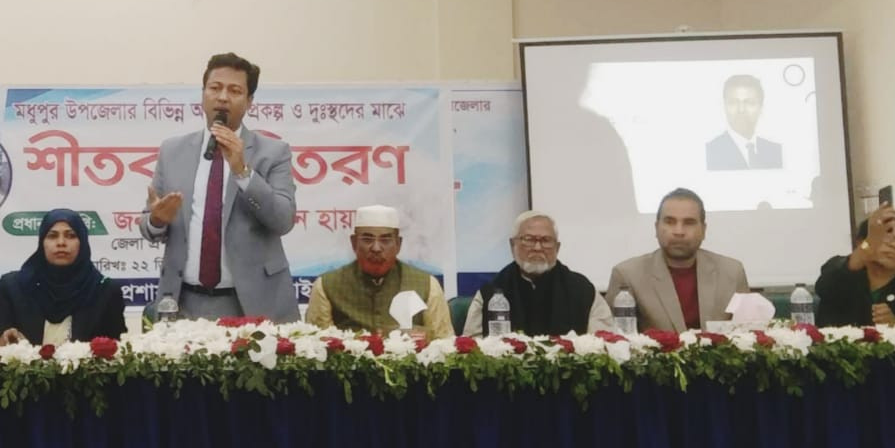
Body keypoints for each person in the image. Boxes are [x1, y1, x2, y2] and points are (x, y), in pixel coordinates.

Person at [139, 52, 298, 321]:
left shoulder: (273, 152)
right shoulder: (172, 151)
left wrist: (243, 172)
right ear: (203, 95)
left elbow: (283, 220)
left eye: (234, 91)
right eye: (215, 88)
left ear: (249, 102)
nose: (223, 97)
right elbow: (148, 227)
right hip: (183, 302)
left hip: (253, 304)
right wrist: (157, 220)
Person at [606, 188, 749, 332]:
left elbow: (749, 334)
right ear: (656, 228)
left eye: (689, 223)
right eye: (670, 222)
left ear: (704, 230)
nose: (679, 231)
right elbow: (616, 339)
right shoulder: (628, 275)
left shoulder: (732, 272)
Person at [304, 205, 454, 338]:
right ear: (354, 243)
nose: (376, 248)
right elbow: (319, 346)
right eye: (367, 239)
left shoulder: (427, 285)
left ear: (398, 244)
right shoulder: (327, 286)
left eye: (385, 240)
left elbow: (443, 345)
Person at [462, 211, 614, 337]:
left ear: (557, 247)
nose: (537, 247)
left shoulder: (582, 291)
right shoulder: (490, 292)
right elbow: (471, 348)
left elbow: (604, 345)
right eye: (528, 239)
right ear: (512, 245)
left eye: (546, 240)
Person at [0, 209, 126, 345]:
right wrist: (5, 337)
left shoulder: (105, 290)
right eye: (52, 236)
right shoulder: (14, 288)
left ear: (82, 242)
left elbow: (116, 348)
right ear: (42, 242)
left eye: (71, 236)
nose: (61, 243)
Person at [814, 206, 895, 326]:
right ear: (862, 242)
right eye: (887, 237)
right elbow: (824, 287)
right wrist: (867, 247)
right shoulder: (838, 268)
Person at [705, 74, 783, 170]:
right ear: (724, 107)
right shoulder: (710, 151)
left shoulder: (775, 151)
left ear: (761, 108)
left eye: (750, 102)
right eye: (733, 102)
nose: (741, 110)